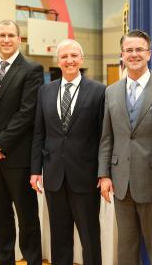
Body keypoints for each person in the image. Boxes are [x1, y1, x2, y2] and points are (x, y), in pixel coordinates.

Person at [98, 29, 152, 265]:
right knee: (126, 248)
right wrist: (104, 174)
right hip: (121, 183)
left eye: (139, 50)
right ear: (122, 55)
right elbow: (106, 137)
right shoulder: (111, 91)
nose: (134, 54)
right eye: (129, 50)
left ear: (149, 54)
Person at [0, 19, 43, 265]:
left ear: (19, 39)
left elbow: (26, 113)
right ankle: (5, 261)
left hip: (17, 157)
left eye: (11, 35)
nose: (6, 39)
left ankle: (33, 260)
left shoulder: (31, 70)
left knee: (27, 217)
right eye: (1, 35)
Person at [30, 39, 105, 265]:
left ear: (81, 59)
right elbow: (38, 134)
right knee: (59, 238)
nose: (69, 60)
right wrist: (35, 170)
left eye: (74, 56)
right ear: (58, 60)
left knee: (90, 238)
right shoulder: (45, 91)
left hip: (85, 177)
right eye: (64, 57)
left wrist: (104, 172)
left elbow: (104, 137)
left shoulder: (99, 91)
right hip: (54, 177)